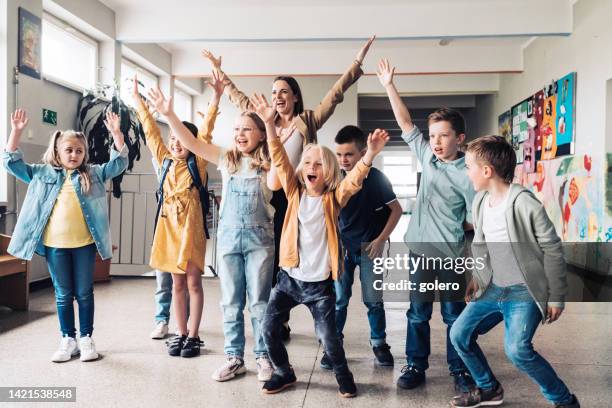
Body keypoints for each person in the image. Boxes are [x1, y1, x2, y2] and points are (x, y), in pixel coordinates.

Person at [202, 37, 375, 340]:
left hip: (293, 197)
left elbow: (335, 95)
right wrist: (220, 70)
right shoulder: (261, 119)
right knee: (266, 263)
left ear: (295, 96)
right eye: (273, 92)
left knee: (291, 259)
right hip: (261, 196)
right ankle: (276, 318)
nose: (277, 96)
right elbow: (237, 97)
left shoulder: (306, 121)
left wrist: (357, 64)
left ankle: (309, 310)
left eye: (283, 91)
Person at [251, 93, 390, 398]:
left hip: (319, 287)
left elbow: (353, 181)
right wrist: (268, 125)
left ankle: (343, 375)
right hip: (289, 280)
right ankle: (284, 373)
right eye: (308, 163)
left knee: (329, 339)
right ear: (302, 170)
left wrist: (370, 156)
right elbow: (279, 157)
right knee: (268, 330)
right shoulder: (294, 191)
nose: (312, 167)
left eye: (319, 164)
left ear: (328, 173)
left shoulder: (333, 199)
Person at [377, 58, 502, 392]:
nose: (435, 141)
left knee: (451, 316)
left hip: (451, 255)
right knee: (417, 314)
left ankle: (459, 370)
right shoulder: (427, 157)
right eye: (432, 135)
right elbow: (405, 122)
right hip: (419, 251)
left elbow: (482, 216)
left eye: (443, 136)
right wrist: (389, 85)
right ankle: (415, 365)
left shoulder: (471, 170)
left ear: (459, 138)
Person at [151, 71, 276, 382]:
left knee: (259, 303)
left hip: (260, 241)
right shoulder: (226, 159)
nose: (240, 133)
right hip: (229, 240)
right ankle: (235, 357)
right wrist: (168, 114)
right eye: (236, 129)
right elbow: (192, 141)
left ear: (260, 134)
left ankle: (263, 356)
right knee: (230, 302)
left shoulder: (270, 163)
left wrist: (272, 124)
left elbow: (278, 178)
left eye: (247, 128)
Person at [449, 135, 580, 408]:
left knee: (518, 350)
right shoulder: (480, 202)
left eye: (469, 166)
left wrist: (556, 296)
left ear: (487, 171)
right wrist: (477, 277)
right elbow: (482, 245)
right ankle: (488, 388)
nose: (466, 171)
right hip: (495, 287)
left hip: (523, 291)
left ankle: (564, 401)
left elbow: (553, 249)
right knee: (459, 334)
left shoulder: (524, 203)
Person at [2, 108, 127, 362]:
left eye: (79, 151)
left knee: (84, 292)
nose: (74, 155)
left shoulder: (93, 174)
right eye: (68, 150)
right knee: (62, 294)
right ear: (58, 151)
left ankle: (86, 339)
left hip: (84, 245)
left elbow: (119, 162)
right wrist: (16, 132)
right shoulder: (42, 173)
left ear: (84, 154)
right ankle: (67, 339)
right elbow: (10, 163)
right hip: (54, 246)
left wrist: (117, 134)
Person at [134, 76, 217, 358]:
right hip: (168, 227)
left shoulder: (199, 162)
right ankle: (180, 333)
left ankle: (194, 335)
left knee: (193, 282)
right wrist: (139, 102)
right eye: (172, 139)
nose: (174, 143)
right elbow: (150, 132)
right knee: (177, 283)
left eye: (180, 138)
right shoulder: (165, 159)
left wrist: (215, 100)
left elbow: (205, 132)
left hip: (190, 228)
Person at [323, 125, 401, 369]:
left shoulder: (376, 179)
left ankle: (379, 344)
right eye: (339, 155)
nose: (343, 160)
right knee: (339, 301)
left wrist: (380, 240)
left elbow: (396, 210)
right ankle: (332, 346)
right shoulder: (334, 178)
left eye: (349, 154)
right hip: (343, 251)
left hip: (370, 249)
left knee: (373, 301)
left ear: (362, 153)